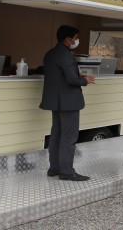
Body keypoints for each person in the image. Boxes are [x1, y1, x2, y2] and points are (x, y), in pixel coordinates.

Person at [40, 25, 95, 181]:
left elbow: (59, 75)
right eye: (76, 38)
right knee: (69, 137)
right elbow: (71, 79)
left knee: (56, 134)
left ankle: (54, 168)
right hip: (68, 102)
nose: (77, 41)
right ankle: (67, 171)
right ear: (68, 39)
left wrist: (77, 74)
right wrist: (85, 80)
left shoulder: (50, 54)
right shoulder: (66, 55)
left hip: (55, 102)